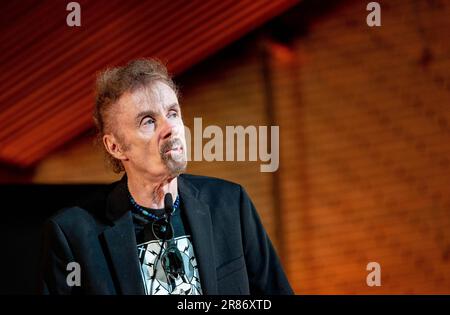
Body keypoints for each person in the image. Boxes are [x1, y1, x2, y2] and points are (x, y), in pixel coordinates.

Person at [39, 58, 293, 295]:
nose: (170, 128)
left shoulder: (230, 204)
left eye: (172, 113)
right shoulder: (73, 235)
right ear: (116, 147)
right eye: (148, 121)